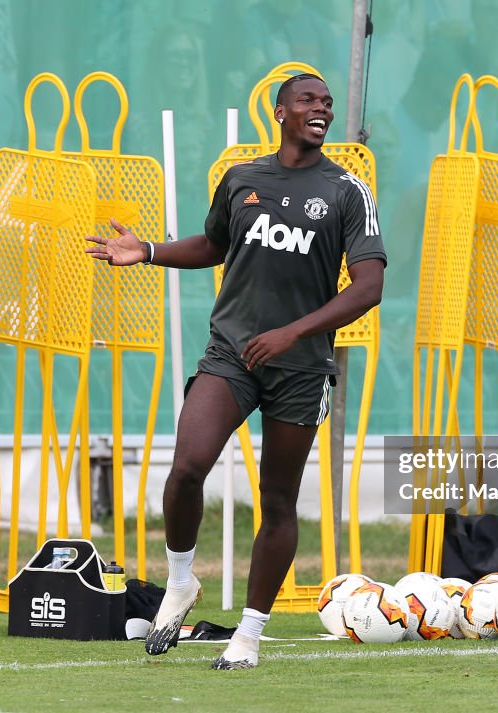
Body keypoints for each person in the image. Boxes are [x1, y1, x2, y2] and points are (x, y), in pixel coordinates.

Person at [84, 73, 386, 669]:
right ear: (280, 112)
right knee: (187, 467)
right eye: (308, 100)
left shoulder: (348, 190)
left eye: (327, 103)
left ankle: (248, 634)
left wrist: (294, 332)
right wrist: (147, 251)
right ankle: (180, 580)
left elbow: (370, 286)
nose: (320, 109)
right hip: (233, 353)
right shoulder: (242, 178)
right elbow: (214, 247)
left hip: (300, 367)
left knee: (277, 502)